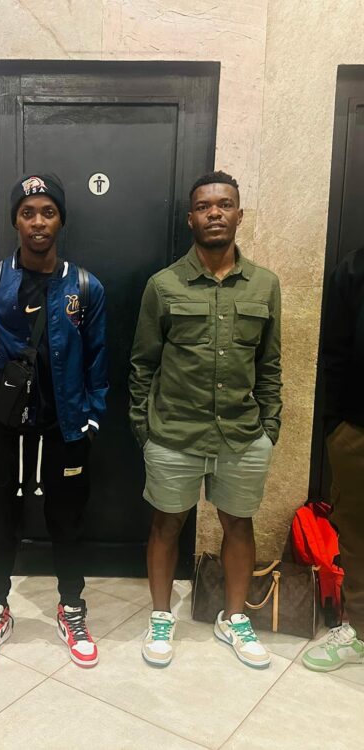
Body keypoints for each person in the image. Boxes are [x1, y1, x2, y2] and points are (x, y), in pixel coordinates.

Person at [129, 171, 282, 669]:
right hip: (173, 433)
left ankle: (234, 618)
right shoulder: (164, 285)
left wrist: (269, 427)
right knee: (166, 524)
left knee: (239, 524)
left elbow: (270, 365)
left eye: (224, 204)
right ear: (190, 218)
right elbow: (142, 364)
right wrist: (145, 430)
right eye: (204, 206)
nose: (215, 212)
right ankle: (160, 616)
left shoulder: (265, 284)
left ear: (239, 214)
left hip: (242, 434)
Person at [0, 173, 108, 669]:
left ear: (61, 219)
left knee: (67, 519)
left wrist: (92, 418)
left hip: (66, 425)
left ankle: (71, 606)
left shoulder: (85, 286)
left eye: (48, 212)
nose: (38, 222)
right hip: (1, 426)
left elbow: (99, 358)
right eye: (28, 213)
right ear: (15, 221)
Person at [302, 247, 364, 672]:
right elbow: (335, 354)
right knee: (357, 537)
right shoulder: (355, 269)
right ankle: (359, 630)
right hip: (357, 430)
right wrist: (336, 427)